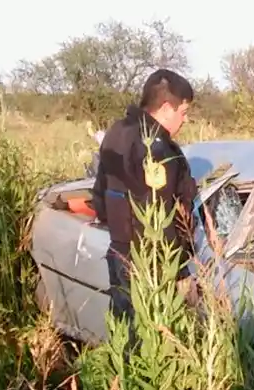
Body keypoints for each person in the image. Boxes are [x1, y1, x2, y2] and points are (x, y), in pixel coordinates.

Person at [92, 69, 198, 332]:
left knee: (126, 331)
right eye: (183, 112)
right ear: (166, 108)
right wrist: (179, 269)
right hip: (154, 264)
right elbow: (162, 211)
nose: (185, 120)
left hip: (120, 252)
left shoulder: (116, 132)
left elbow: (100, 195)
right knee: (160, 336)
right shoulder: (157, 150)